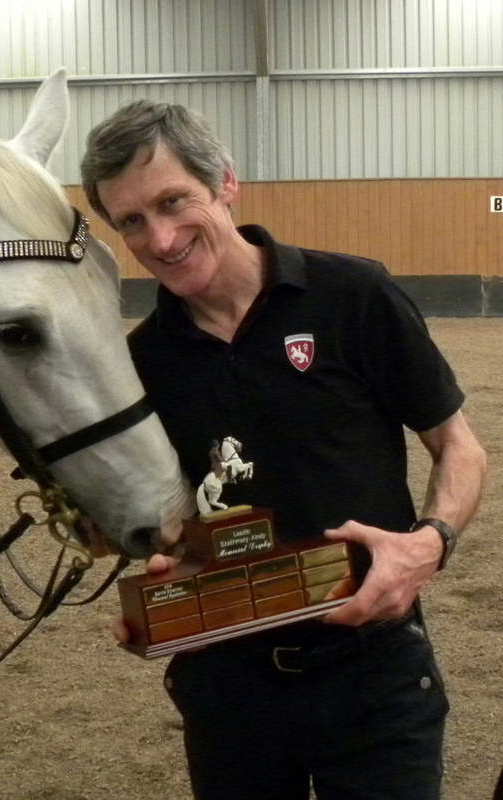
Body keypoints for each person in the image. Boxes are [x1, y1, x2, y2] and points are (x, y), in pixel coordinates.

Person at [80, 100, 487, 800]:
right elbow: (165, 521)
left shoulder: (353, 295)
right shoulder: (141, 363)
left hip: (374, 676)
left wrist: (430, 542)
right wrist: (159, 586)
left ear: (226, 184)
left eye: (175, 201)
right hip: (226, 689)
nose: (162, 239)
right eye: (132, 221)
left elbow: (459, 447)